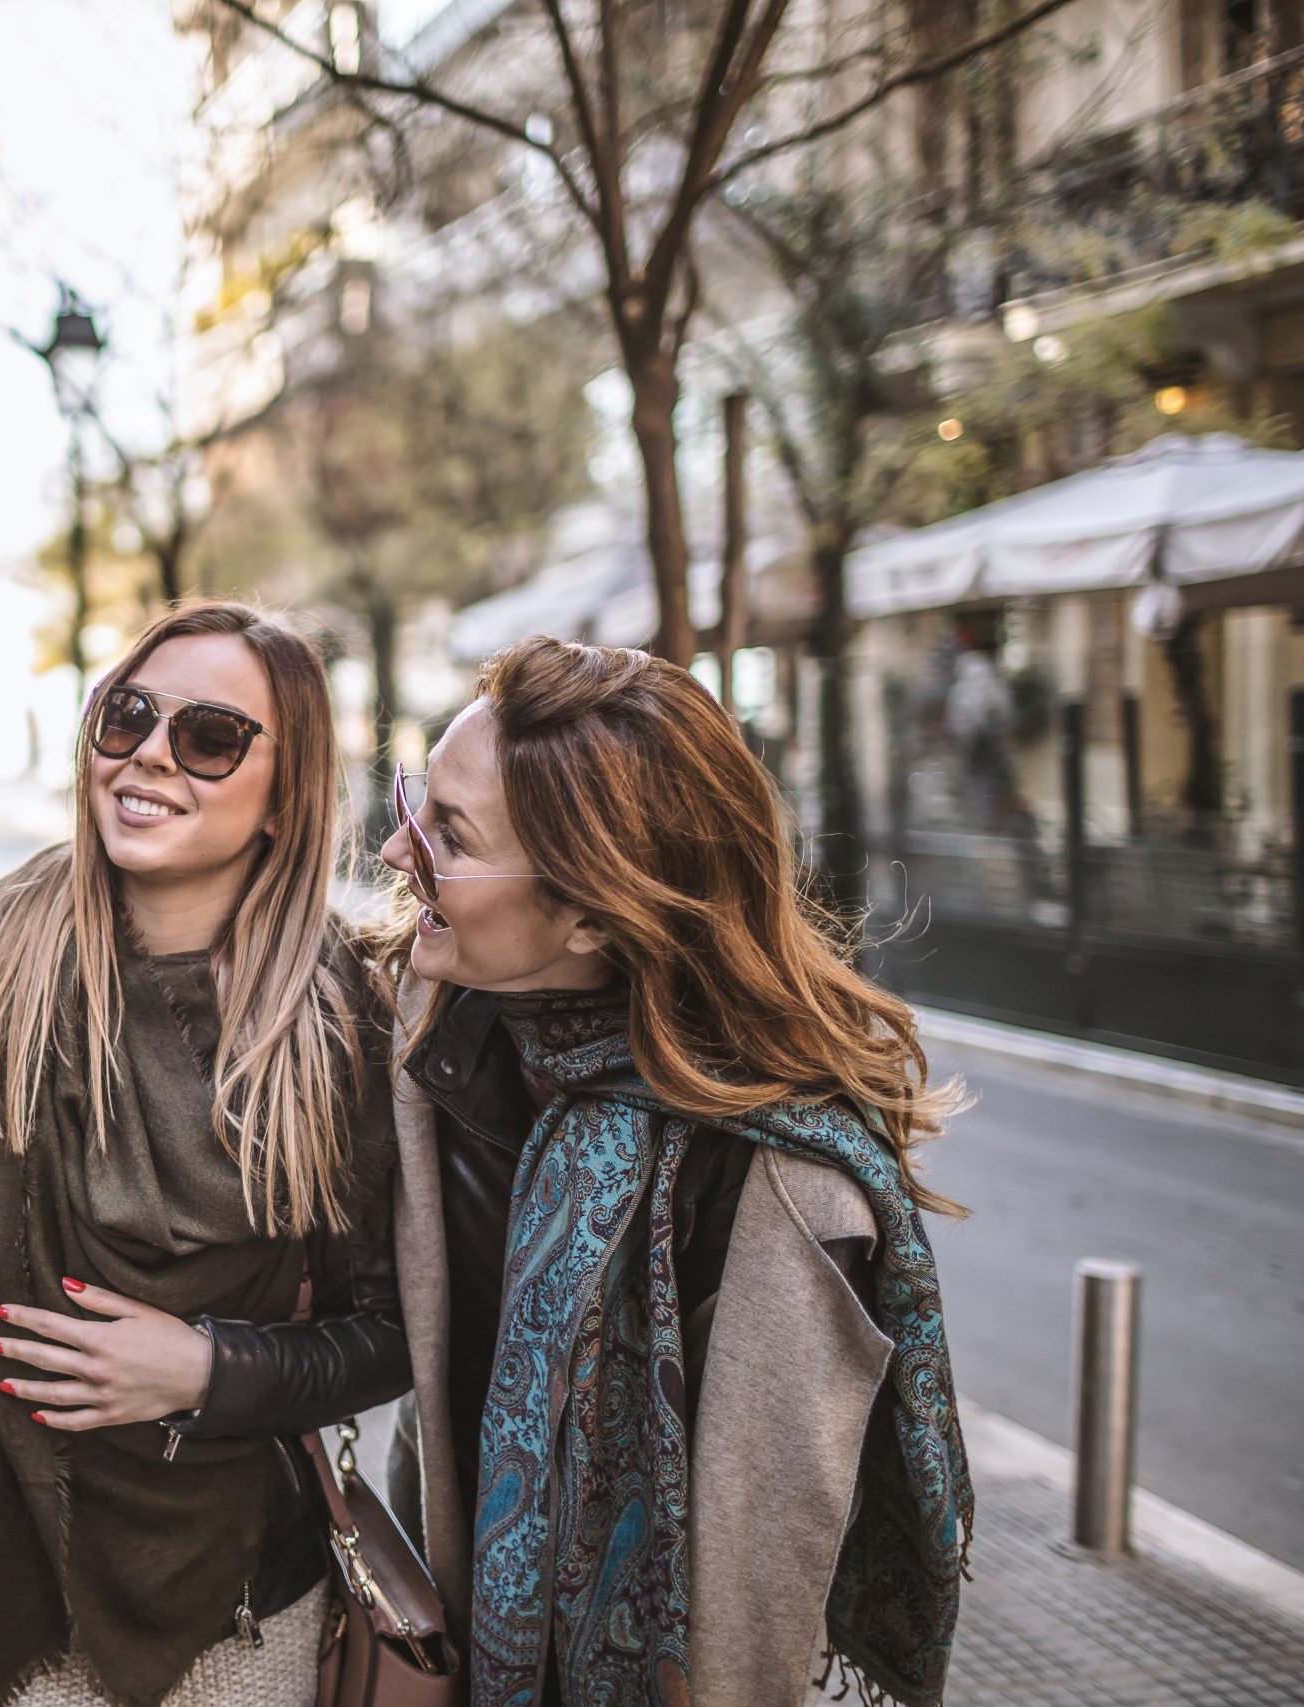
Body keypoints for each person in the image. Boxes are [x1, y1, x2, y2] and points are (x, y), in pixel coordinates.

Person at [377, 637, 971, 1707]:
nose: (393, 848)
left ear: (594, 914)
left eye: (446, 835)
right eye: (417, 800)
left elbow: (758, 1610)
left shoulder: (783, 1187)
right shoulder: (449, 1045)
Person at [0, 602, 411, 1707]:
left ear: (285, 790)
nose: (151, 754)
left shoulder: (340, 1015)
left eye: (210, 737)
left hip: (234, 1604)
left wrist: (211, 1370)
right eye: (128, 717)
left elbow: (401, 1330)